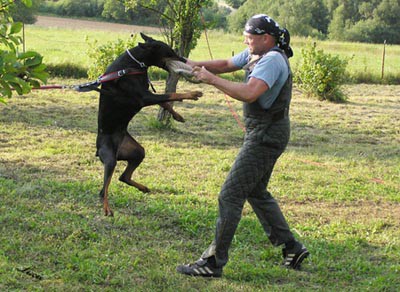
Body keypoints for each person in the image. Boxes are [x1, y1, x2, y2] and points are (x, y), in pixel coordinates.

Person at [176, 14, 309, 278]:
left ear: (266, 38)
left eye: (250, 37)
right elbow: (225, 63)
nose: (245, 41)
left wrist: (210, 79)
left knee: (230, 194)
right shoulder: (257, 52)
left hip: (266, 136)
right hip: (265, 131)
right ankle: (292, 247)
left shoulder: (271, 60)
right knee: (256, 191)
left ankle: (213, 262)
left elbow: (249, 93)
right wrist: (184, 64)